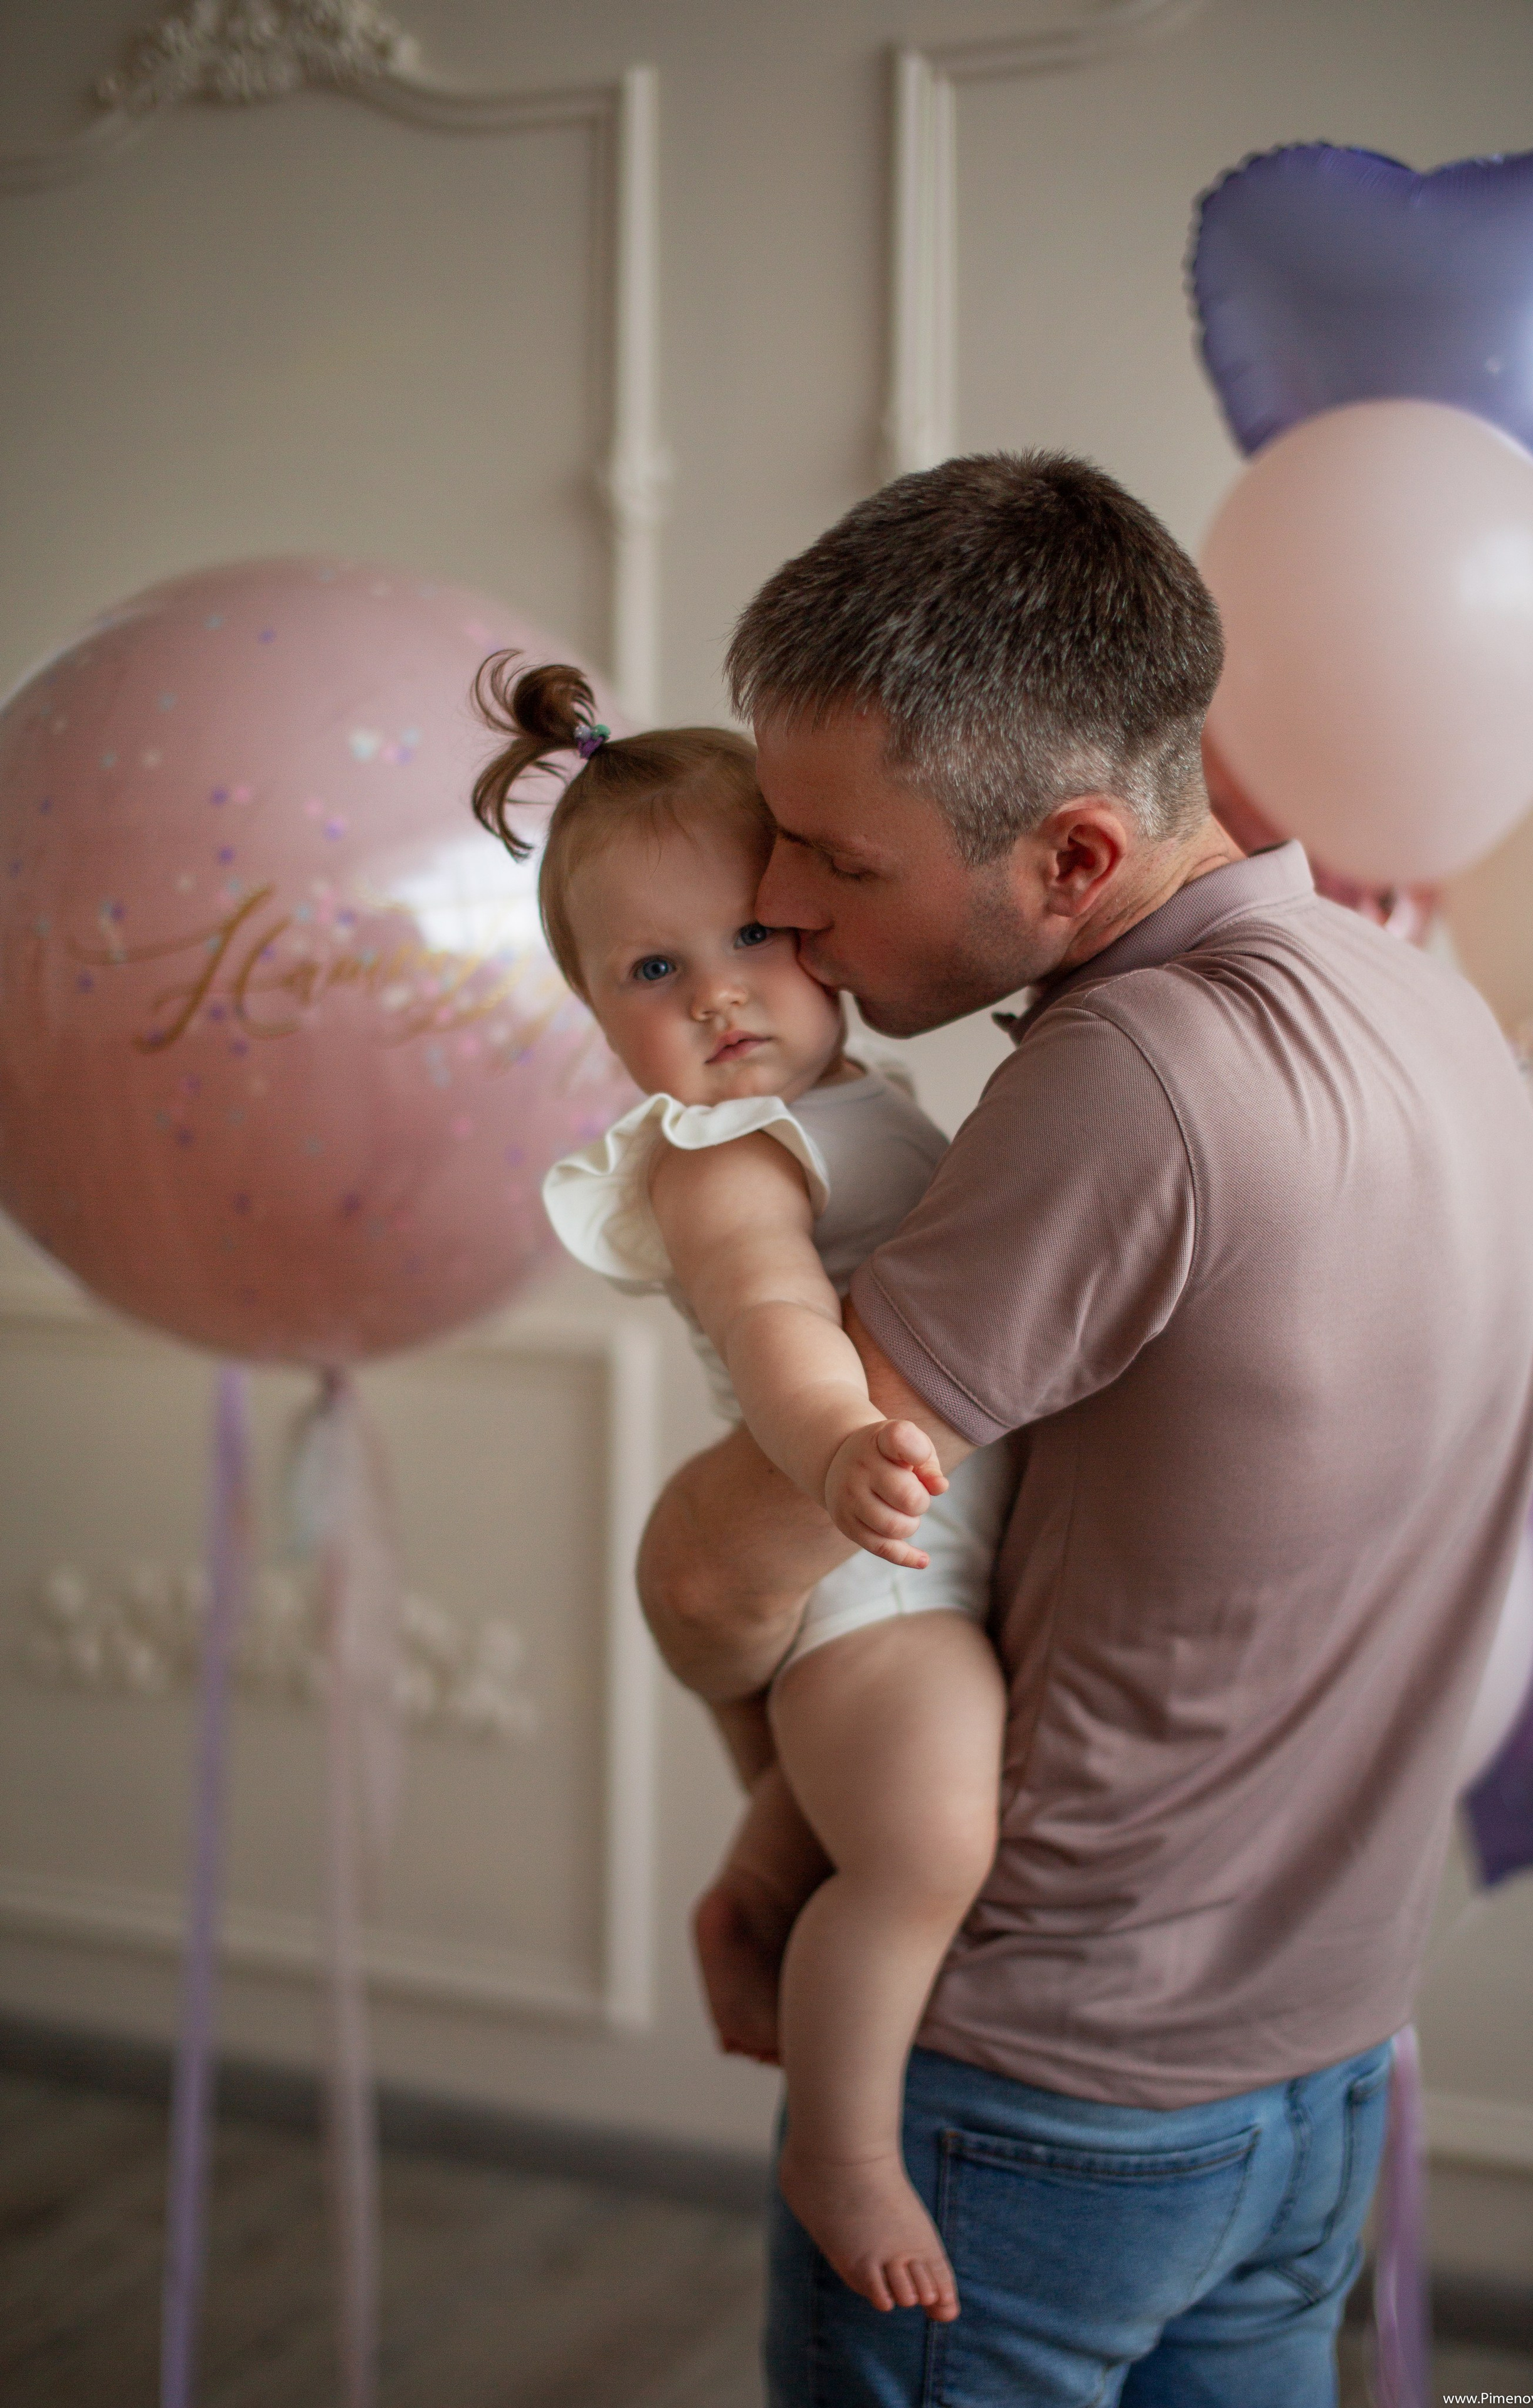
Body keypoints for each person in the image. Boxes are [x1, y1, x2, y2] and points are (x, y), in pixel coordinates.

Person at [636, 450, 1533, 2407]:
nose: (781, 910)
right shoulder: (1425, 1009)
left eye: (840, 862)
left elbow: (726, 1566)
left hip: (1047, 2111)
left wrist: (772, 1804)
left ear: (1069, 858)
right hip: (1315, 2091)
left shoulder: (1135, 1076)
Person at [470, 658, 1014, 2321]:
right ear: (598, 1013)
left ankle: (753, 1896)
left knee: (852, 1809)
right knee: (928, 1847)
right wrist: (842, 1443)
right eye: (655, 969)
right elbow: (778, 1320)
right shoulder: (725, 1160)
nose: (718, 995)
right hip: (877, 1577)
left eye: (753, 938)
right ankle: (840, 2149)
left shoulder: (856, 1101)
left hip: (943, 1546)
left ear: (820, 926)